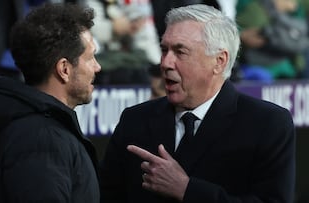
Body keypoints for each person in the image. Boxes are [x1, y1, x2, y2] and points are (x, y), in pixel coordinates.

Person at [99, 4, 296, 203]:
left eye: (180, 52)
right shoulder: (134, 120)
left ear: (219, 61)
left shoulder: (267, 123)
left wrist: (187, 190)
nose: (165, 63)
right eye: (164, 50)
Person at [0, 3, 101, 203]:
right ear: (64, 69)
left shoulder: (38, 131)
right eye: (91, 57)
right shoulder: (42, 140)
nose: (97, 67)